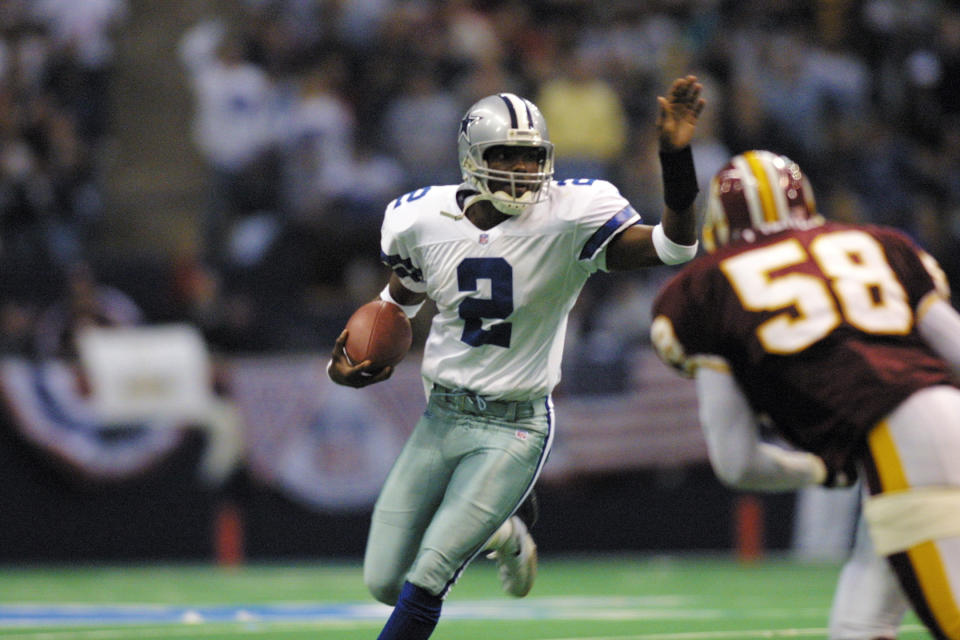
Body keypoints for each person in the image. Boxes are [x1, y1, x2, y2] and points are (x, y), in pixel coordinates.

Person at [327, 75, 705, 640]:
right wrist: (356, 356)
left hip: (516, 425)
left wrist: (676, 161)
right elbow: (395, 304)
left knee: (428, 574)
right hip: (442, 417)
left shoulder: (569, 215)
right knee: (384, 580)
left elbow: (676, 246)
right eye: (506, 156)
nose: (523, 171)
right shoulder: (420, 220)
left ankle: (490, 523)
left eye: (531, 159)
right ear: (471, 158)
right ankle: (505, 533)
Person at [650, 149, 960, 640]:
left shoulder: (702, 291)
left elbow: (737, 462)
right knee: (859, 627)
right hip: (937, 424)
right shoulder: (877, 242)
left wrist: (816, 469)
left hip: (903, 446)